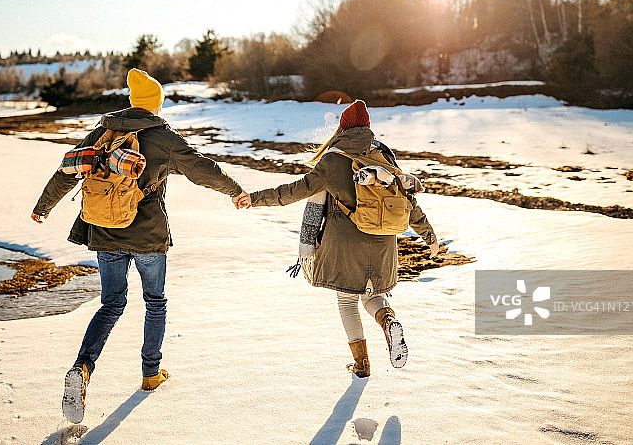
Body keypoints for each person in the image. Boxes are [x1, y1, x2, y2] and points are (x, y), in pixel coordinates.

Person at [31, 68, 248, 423]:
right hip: (147, 236)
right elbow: (202, 169)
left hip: (104, 232)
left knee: (111, 304)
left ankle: (82, 368)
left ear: (133, 102)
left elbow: (67, 170)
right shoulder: (163, 137)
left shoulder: (104, 131)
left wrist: (44, 206)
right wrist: (235, 190)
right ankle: (150, 373)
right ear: (156, 104)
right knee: (155, 302)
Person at [236, 100, 438, 378]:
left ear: (342, 128)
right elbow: (408, 200)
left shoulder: (333, 159)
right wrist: (429, 235)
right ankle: (387, 321)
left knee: (347, 302)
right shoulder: (383, 156)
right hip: (384, 241)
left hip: (345, 243)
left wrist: (255, 198)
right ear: (367, 127)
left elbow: (295, 190)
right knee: (373, 295)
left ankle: (362, 365)